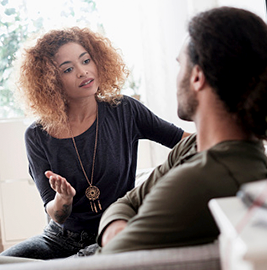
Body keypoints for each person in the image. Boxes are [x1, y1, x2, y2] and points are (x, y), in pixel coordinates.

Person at [0, 27, 189, 259]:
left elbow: (185, 142)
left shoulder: (125, 110)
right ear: (51, 81)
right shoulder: (37, 135)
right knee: (6, 262)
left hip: (114, 234)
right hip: (60, 239)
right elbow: (56, 214)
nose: (83, 72)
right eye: (68, 69)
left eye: (86, 60)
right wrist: (64, 199)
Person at [96, 6, 267, 254]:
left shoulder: (201, 180)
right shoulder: (194, 146)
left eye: (180, 65)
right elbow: (128, 201)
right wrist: (117, 223)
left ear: (197, 76)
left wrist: (115, 227)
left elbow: (112, 258)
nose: (177, 79)